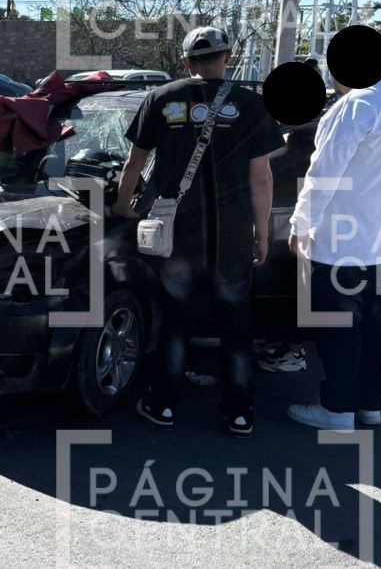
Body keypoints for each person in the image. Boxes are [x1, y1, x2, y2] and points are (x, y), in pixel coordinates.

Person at [113, 26, 284, 437]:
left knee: (177, 321)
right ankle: (240, 413)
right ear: (228, 58)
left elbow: (134, 163)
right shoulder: (250, 103)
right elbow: (261, 177)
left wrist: (122, 206)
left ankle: (163, 405)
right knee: (237, 326)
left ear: (187, 62)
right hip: (231, 236)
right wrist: (263, 234)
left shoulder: (161, 98)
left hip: (177, 237)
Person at [286, 72, 381, 431]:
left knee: (338, 327)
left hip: (342, 239)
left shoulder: (356, 106)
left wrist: (300, 224)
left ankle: (336, 409)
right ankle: (369, 402)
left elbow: (323, 172)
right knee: (371, 324)